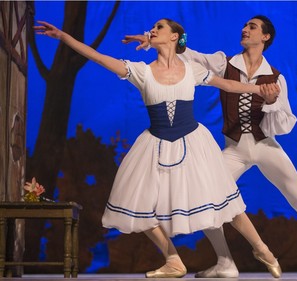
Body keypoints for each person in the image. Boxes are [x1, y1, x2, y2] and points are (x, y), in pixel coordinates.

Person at [34, 18, 282, 278]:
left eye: (159, 27)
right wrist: (64, 37)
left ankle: (262, 250)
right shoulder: (141, 71)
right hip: (156, 145)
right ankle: (173, 260)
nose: (153, 30)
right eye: (152, 28)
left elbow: (229, 85)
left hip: (193, 143)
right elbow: (97, 57)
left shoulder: (191, 69)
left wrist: (258, 89)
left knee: (224, 200)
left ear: (174, 37)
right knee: (136, 203)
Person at [124, 15, 297, 279]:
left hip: (265, 145)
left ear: (265, 37)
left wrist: (270, 102)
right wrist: (154, 41)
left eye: (252, 27)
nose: (245, 29)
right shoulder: (224, 63)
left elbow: (284, 125)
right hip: (235, 149)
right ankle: (225, 261)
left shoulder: (275, 78)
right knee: (207, 199)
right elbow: (188, 53)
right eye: (245, 26)